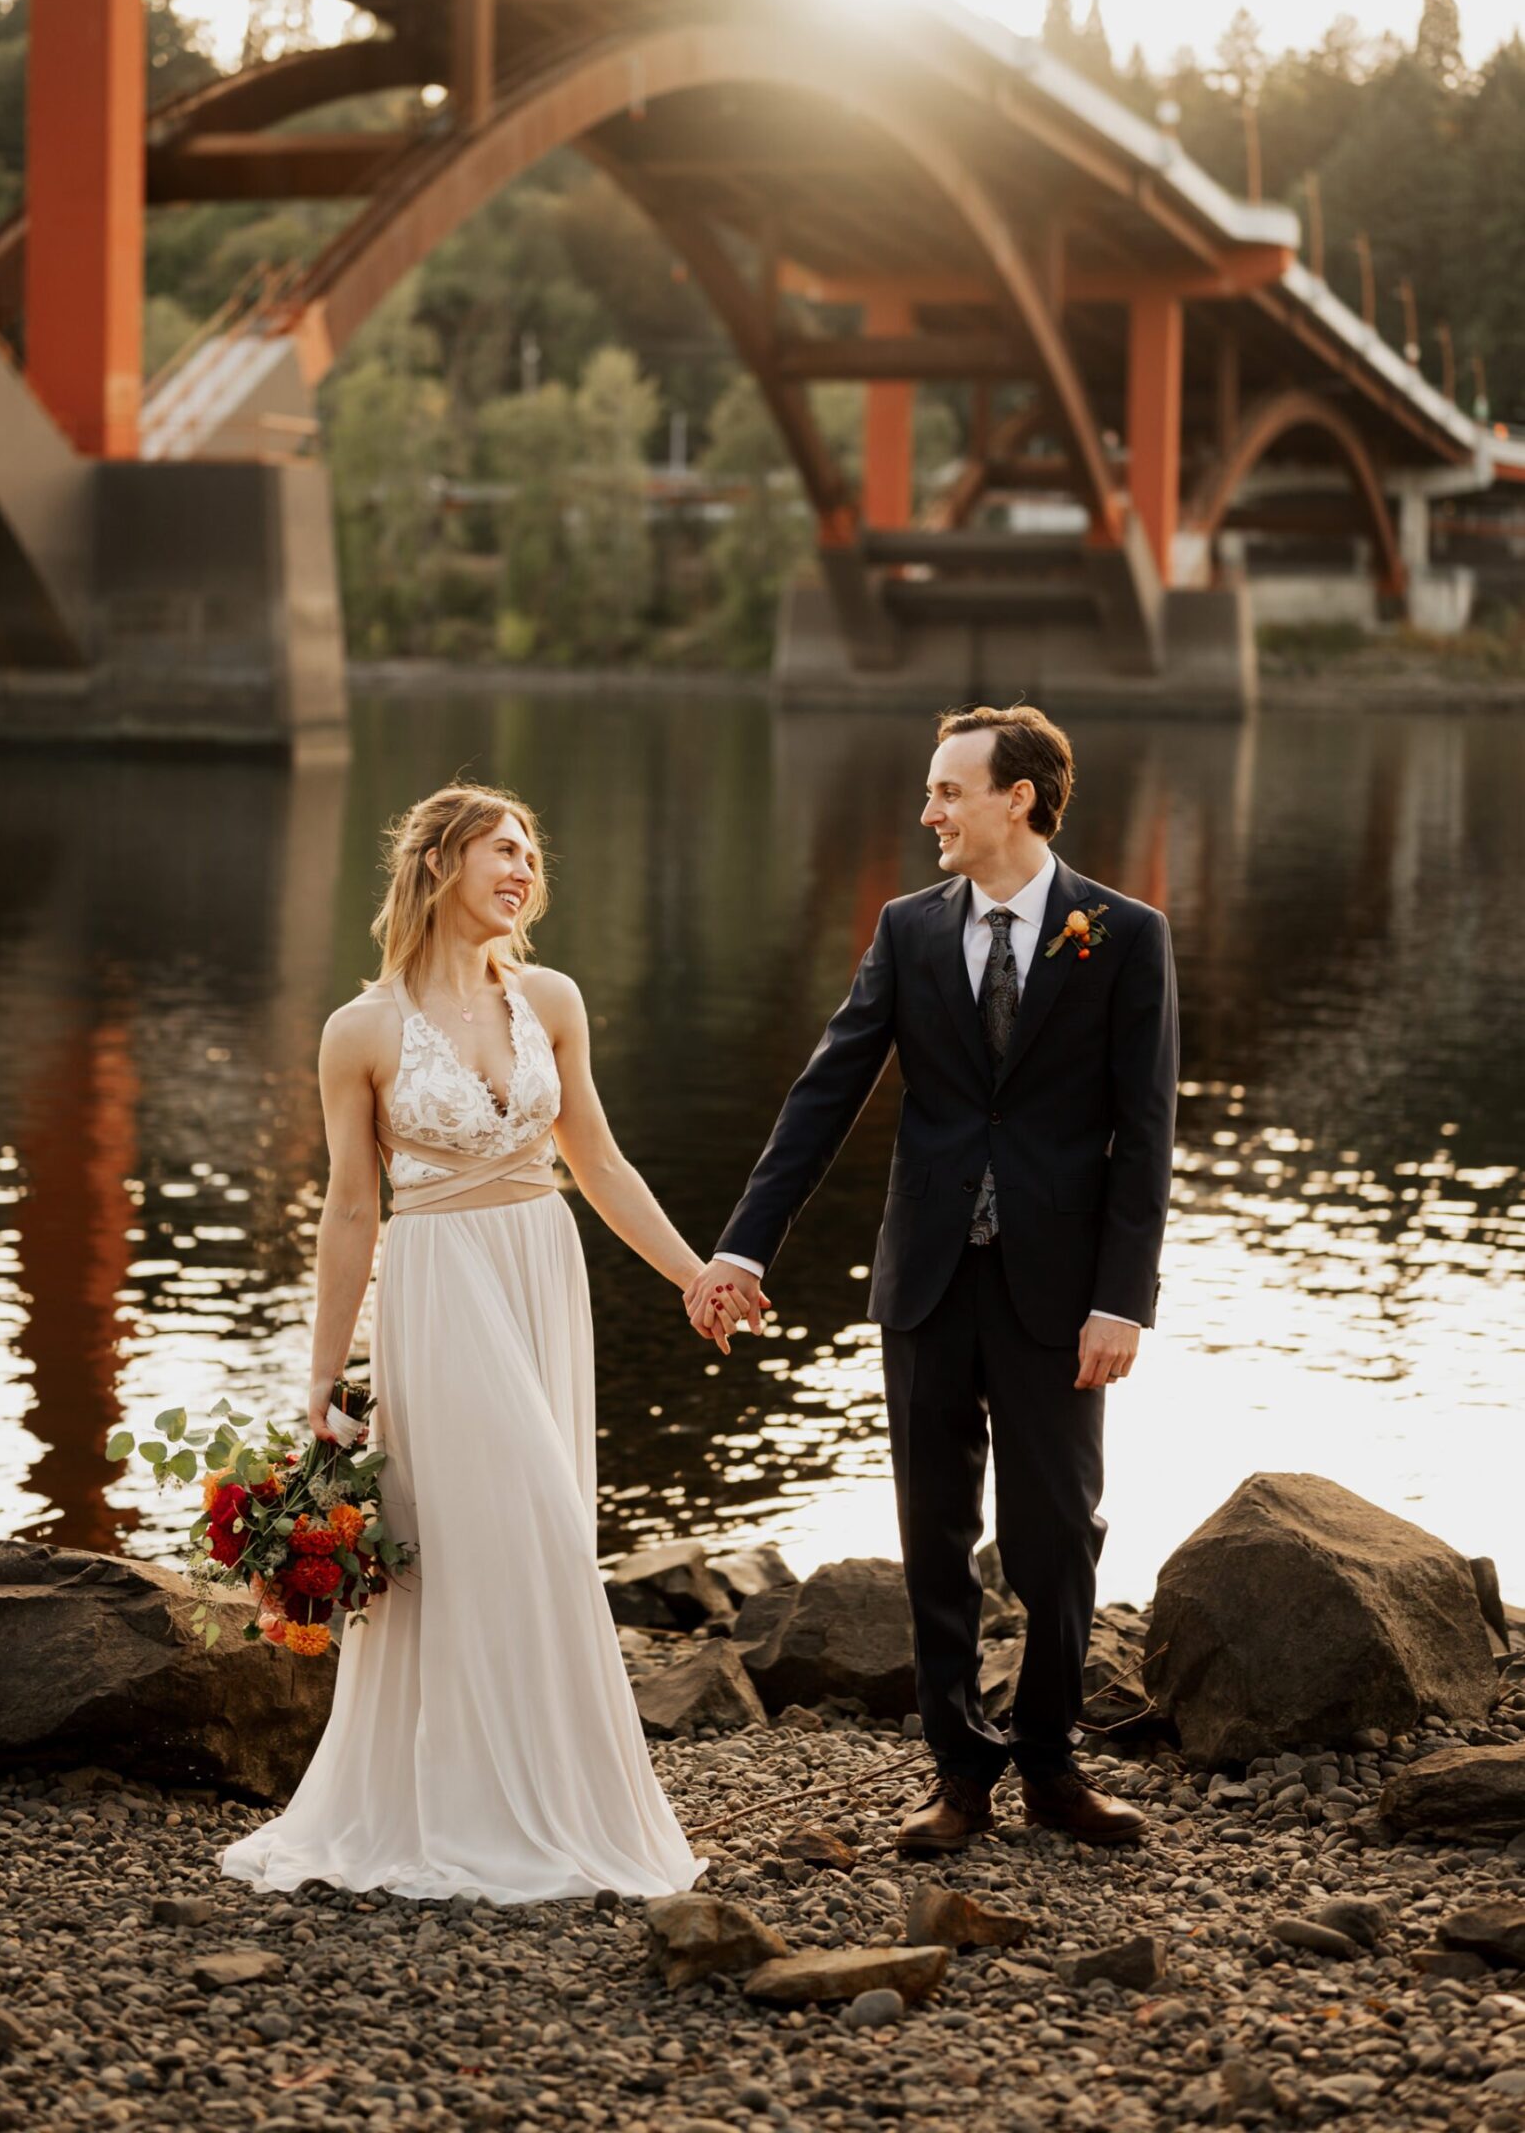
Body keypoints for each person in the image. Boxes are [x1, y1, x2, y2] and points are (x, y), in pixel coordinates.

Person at [686, 705, 1178, 1851]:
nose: (927, 813)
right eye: (928, 790)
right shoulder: (907, 930)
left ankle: (1052, 1763)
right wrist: (741, 1245)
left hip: (1062, 1295)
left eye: (947, 790)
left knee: (1058, 1529)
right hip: (922, 1281)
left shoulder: (1122, 932)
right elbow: (824, 1094)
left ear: (1018, 797)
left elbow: (1142, 1133)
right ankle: (958, 1774)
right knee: (932, 1531)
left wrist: (1122, 1298)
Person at [221, 784, 719, 1903]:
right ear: (441, 862)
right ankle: (467, 1804)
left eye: (533, 854)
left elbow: (597, 1161)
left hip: (541, 1266)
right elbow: (351, 1209)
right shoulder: (360, 1029)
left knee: (541, 1531)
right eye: (505, 849)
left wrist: (694, 1274)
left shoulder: (550, 997)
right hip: (440, 1285)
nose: (525, 870)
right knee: (503, 1523)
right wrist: (319, 1372)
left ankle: (545, 1798)